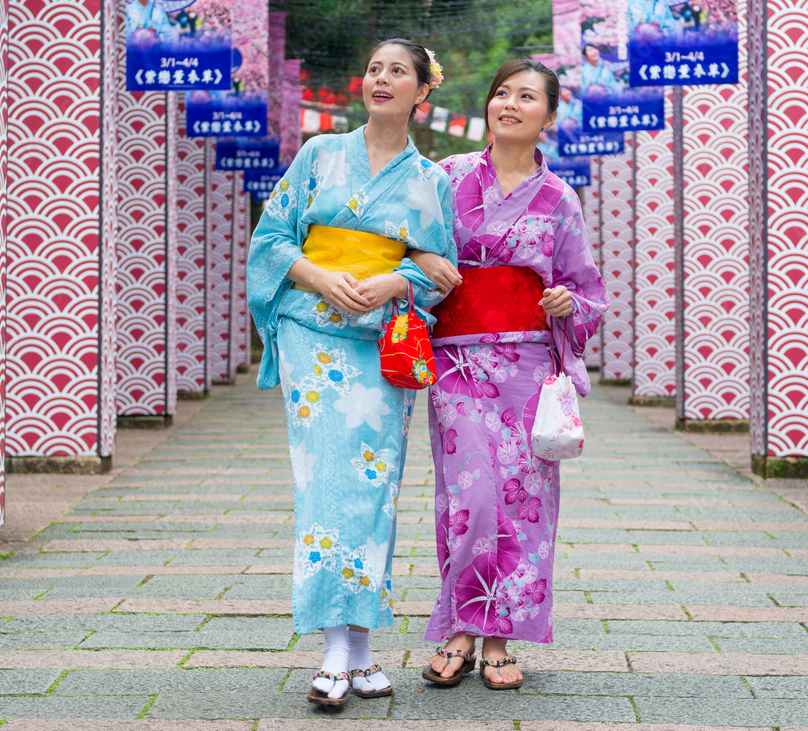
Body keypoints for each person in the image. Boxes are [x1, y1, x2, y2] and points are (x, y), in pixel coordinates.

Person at [246, 39, 455, 709]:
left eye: (398, 71)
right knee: (325, 480)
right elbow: (272, 238)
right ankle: (335, 650)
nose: (382, 79)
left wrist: (396, 278)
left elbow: (442, 271)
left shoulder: (432, 179)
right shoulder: (319, 155)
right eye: (374, 70)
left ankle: (361, 647)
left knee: (375, 486)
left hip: (381, 344)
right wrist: (318, 275)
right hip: (314, 330)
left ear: (423, 90)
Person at [410, 59, 609, 690]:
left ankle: (501, 636)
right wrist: (425, 260)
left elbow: (588, 291)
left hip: (526, 364)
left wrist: (565, 304)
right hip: (458, 361)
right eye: (502, 93)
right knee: (470, 495)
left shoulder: (560, 199)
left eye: (527, 97)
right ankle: (461, 627)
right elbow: (407, 241)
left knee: (524, 500)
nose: (510, 104)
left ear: (548, 117)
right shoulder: (447, 177)